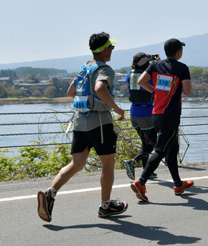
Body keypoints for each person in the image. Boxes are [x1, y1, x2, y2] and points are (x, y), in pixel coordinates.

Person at [37, 32, 128, 222]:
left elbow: (71, 92)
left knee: (76, 164)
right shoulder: (105, 69)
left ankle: (50, 193)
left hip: (79, 121)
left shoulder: (83, 69)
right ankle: (105, 206)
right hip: (100, 124)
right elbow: (100, 88)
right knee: (108, 165)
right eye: (110, 47)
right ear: (104, 50)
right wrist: (118, 109)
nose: (112, 50)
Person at [130, 38, 193, 202]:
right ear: (179, 52)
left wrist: (155, 91)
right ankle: (141, 182)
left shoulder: (155, 65)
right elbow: (187, 91)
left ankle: (178, 184)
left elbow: (141, 81)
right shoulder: (182, 68)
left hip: (156, 113)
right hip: (170, 114)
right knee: (160, 150)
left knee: (172, 147)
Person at [123, 52, 159, 181]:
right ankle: (133, 162)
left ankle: (147, 170)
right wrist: (156, 63)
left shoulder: (129, 75)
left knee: (145, 143)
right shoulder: (148, 77)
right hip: (146, 114)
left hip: (134, 112)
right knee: (152, 143)